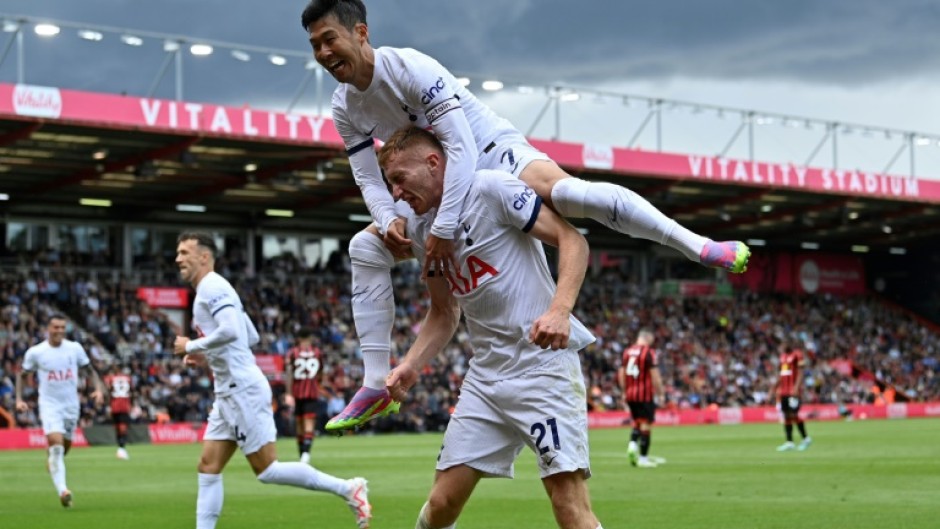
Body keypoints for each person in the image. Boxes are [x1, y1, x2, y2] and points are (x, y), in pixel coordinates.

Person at [299, 0, 752, 431]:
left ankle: (699, 246)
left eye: (329, 39)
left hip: (492, 152)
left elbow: (462, 147)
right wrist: (387, 218)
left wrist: (441, 228)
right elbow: (368, 178)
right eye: (315, 44)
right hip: (433, 178)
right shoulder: (344, 108)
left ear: (360, 33)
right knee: (364, 247)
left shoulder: (411, 68)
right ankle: (375, 384)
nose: (323, 52)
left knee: (568, 194)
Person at [381, 126, 605, 529]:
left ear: (433, 162)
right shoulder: (420, 230)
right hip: (486, 378)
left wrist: (560, 310)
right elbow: (443, 311)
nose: (395, 193)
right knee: (442, 503)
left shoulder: (491, 188)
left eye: (399, 179)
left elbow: (573, 240)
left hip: (543, 369)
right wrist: (411, 365)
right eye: (389, 185)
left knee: (568, 506)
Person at [171, 232, 371, 529]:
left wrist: (191, 346)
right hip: (228, 391)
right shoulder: (213, 289)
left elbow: (231, 332)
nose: (178, 259)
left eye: (185, 252)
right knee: (208, 466)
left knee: (267, 470)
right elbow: (249, 335)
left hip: (241, 389)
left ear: (204, 256)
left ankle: (347, 488)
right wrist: (204, 355)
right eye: (178, 253)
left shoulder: (211, 286)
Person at [14, 315, 105, 508]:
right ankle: (63, 491)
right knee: (56, 444)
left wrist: (97, 389)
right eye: (56, 327)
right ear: (48, 328)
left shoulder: (74, 348)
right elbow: (22, 375)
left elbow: (90, 370)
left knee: (65, 446)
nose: (59, 331)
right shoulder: (36, 352)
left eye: (62, 327)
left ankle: (53, 460)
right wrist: (19, 399)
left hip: (71, 406)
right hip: (49, 405)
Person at [617, 329, 665, 468]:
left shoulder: (627, 352)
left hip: (630, 394)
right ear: (648, 338)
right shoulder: (648, 352)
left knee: (637, 422)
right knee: (646, 424)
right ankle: (643, 459)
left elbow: (621, 373)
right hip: (645, 394)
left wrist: (624, 391)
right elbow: (655, 376)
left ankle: (632, 444)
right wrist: (661, 393)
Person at [284, 327, 324, 464]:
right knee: (308, 423)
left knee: (300, 424)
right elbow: (320, 373)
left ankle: (303, 454)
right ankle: (305, 454)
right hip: (312, 392)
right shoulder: (317, 352)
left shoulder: (292, 353)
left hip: (297, 393)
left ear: (298, 339)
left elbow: (288, 373)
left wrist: (288, 393)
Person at [772, 341, 811, 451]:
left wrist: (796, 387)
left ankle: (806, 439)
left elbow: (801, 372)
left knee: (794, 414)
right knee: (786, 416)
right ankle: (789, 442)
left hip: (793, 391)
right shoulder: (782, 357)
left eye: (784, 344)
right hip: (784, 392)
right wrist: (775, 389)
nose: (782, 346)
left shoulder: (797, 355)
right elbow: (782, 375)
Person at [103, 364, 134, 460]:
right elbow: (131, 391)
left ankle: (121, 448)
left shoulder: (110, 378)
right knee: (123, 427)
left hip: (115, 404)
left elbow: (108, 390)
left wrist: (108, 405)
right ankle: (122, 448)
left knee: (118, 427)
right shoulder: (128, 378)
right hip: (124, 404)